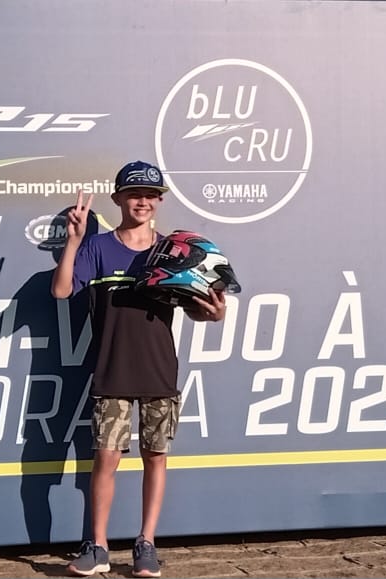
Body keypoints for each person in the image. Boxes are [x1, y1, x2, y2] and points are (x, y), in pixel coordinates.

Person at [51, 160, 227, 578]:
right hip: (111, 370)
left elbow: (198, 307)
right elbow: (61, 290)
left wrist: (215, 313)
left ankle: (146, 544)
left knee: (156, 458)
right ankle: (98, 547)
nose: (142, 201)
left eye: (150, 195)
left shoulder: (174, 251)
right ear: (118, 199)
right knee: (105, 459)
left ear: (159, 201)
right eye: (134, 194)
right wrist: (73, 242)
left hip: (158, 372)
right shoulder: (97, 248)